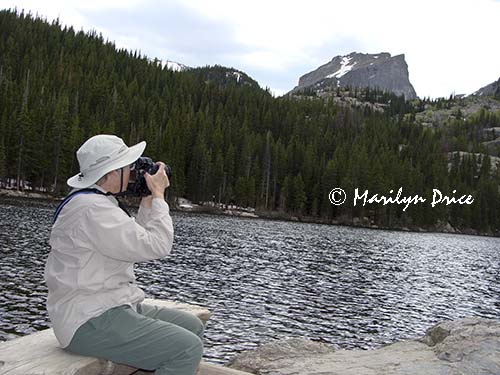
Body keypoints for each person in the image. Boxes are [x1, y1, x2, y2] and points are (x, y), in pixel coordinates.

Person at [44, 134, 204, 375]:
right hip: (87, 319)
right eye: (128, 167)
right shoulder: (93, 210)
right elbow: (158, 245)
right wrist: (159, 194)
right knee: (187, 348)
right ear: (110, 173)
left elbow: (137, 240)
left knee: (192, 326)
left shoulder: (97, 203)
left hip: (109, 306)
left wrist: (148, 199)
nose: (132, 173)